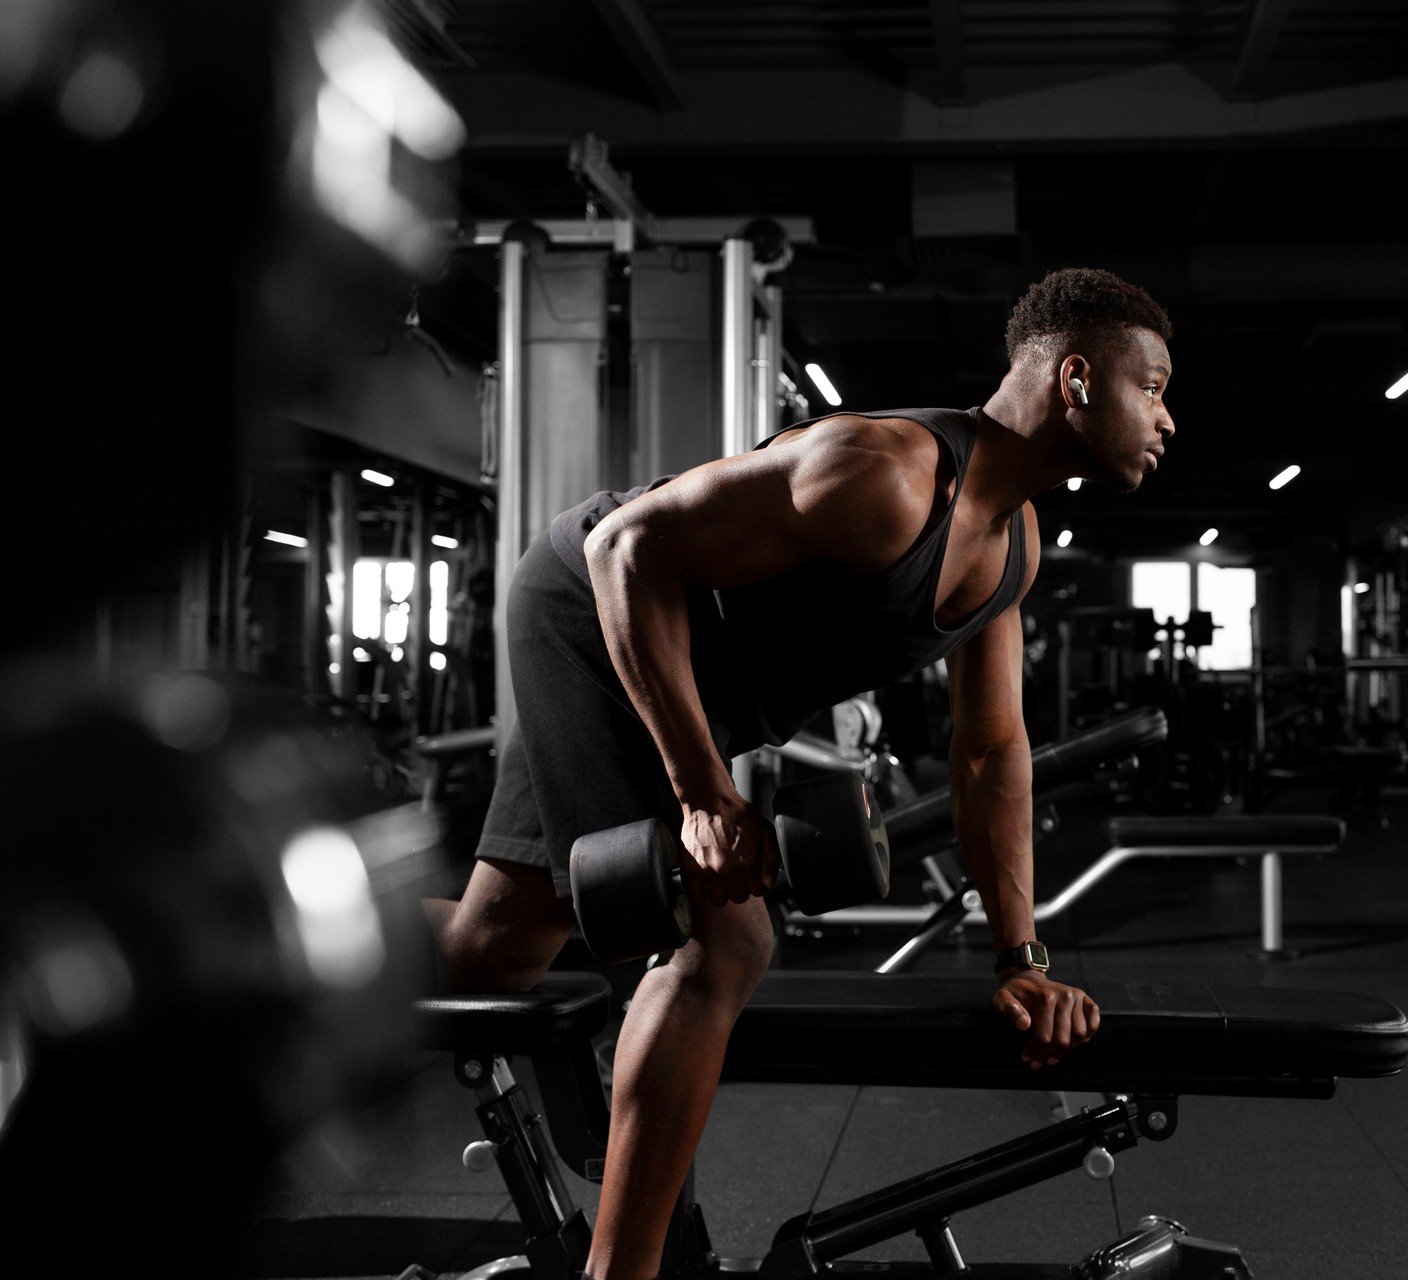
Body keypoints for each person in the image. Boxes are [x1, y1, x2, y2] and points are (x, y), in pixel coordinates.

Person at [427, 266, 1176, 1280]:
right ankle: (625, 1271)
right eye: (1154, 386)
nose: (1166, 416)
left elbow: (990, 749)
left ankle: (313, 931)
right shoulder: (887, 474)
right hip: (590, 608)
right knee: (723, 935)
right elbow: (621, 548)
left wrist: (1021, 958)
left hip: (686, 673)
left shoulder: (1012, 545)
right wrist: (701, 793)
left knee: (490, 958)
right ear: (1079, 378)